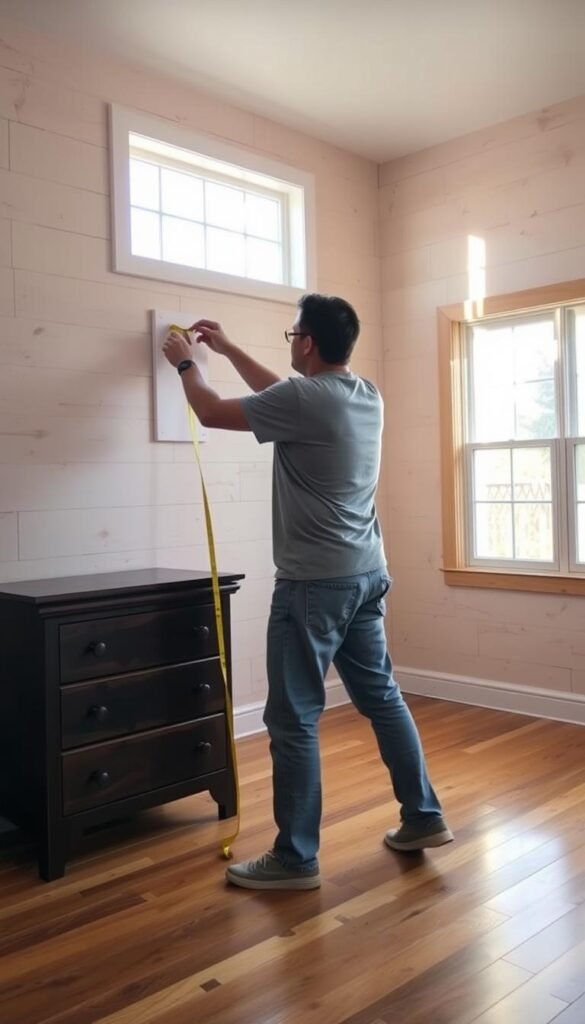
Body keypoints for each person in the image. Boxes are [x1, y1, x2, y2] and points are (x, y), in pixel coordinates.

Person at [163, 293, 453, 891]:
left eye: (291, 333)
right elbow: (285, 396)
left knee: (292, 718)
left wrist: (186, 363)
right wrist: (229, 347)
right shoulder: (364, 395)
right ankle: (423, 817)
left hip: (314, 586)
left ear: (308, 343)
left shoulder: (304, 400)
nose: (289, 341)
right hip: (366, 574)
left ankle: (295, 857)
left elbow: (215, 412)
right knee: (382, 698)